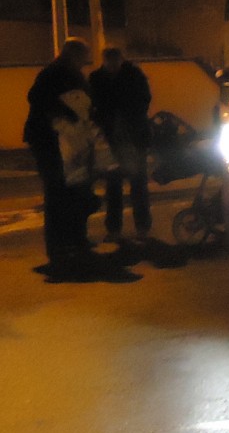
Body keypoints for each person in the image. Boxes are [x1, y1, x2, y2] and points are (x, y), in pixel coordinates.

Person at [23, 38, 96, 269]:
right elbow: (37, 98)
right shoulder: (53, 74)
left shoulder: (71, 74)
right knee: (57, 192)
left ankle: (75, 239)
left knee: (76, 189)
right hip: (50, 141)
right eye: (83, 57)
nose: (85, 62)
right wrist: (66, 112)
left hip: (71, 141)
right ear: (73, 55)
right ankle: (58, 246)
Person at [89, 46, 153, 242]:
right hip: (121, 138)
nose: (112, 66)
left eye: (114, 62)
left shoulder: (98, 78)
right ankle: (130, 228)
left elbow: (92, 106)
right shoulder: (133, 75)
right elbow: (144, 100)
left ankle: (126, 228)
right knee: (123, 185)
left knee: (128, 184)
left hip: (126, 137)